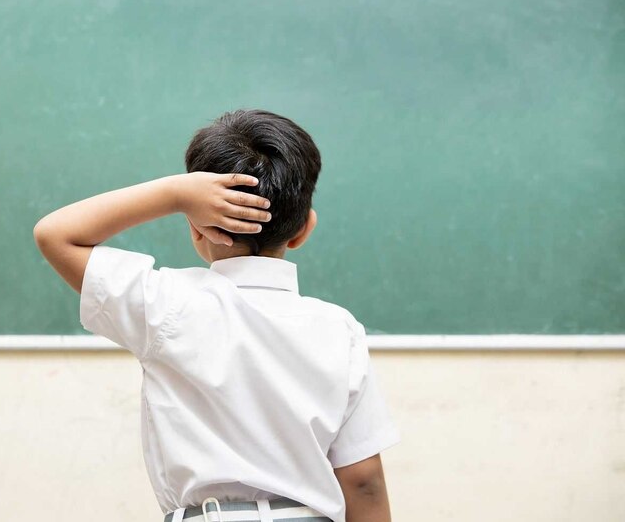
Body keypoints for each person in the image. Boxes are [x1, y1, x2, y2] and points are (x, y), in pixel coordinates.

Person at [33, 109, 402, 522]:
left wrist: (177, 195)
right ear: (303, 230)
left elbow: (55, 234)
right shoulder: (340, 329)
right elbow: (365, 481)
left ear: (196, 227)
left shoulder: (166, 304)